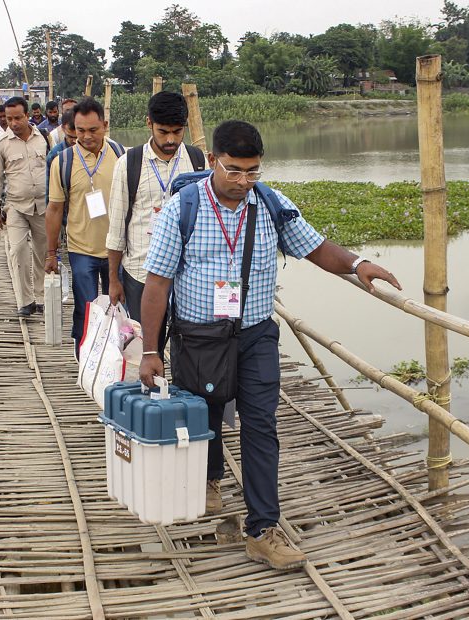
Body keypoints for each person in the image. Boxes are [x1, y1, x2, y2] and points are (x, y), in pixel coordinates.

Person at [138, 120, 401, 570]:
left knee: (261, 426)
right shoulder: (183, 207)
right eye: (234, 170)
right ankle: (209, 477)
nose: (244, 181)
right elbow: (158, 282)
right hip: (199, 337)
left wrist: (358, 263)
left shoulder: (271, 204)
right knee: (205, 415)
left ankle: (262, 530)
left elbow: (315, 247)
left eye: (252, 171)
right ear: (213, 160)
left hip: (256, 334)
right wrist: (149, 351)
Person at [106, 91, 206, 353]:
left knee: (189, 345)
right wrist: (114, 280)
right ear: (149, 123)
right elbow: (116, 228)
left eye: (177, 131)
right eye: (163, 132)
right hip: (142, 271)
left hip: (187, 273)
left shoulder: (197, 161)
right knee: (147, 347)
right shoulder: (129, 164)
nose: (170, 139)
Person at [44, 98, 125, 355]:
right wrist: (51, 253)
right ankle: (85, 358)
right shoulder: (62, 162)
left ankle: (115, 359)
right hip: (81, 249)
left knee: (119, 308)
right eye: (80, 130)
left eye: (93, 130)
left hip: (118, 248)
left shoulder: (122, 156)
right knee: (86, 307)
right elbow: (54, 209)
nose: (86, 136)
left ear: (105, 125)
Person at [0, 96, 50, 317]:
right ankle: (25, 301)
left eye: (17, 118)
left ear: (27, 116)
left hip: (43, 205)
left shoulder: (44, 138)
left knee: (43, 252)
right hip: (15, 206)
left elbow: (54, 169)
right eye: (9, 119)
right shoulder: (1, 144)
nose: (13, 123)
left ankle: (41, 297)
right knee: (18, 250)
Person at [44, 110, 79, 193]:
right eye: (70, 137)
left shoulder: (89, 149)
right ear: (63, 128)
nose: (74, 141)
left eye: (77, 137)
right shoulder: (54, 154)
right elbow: (49, 188)